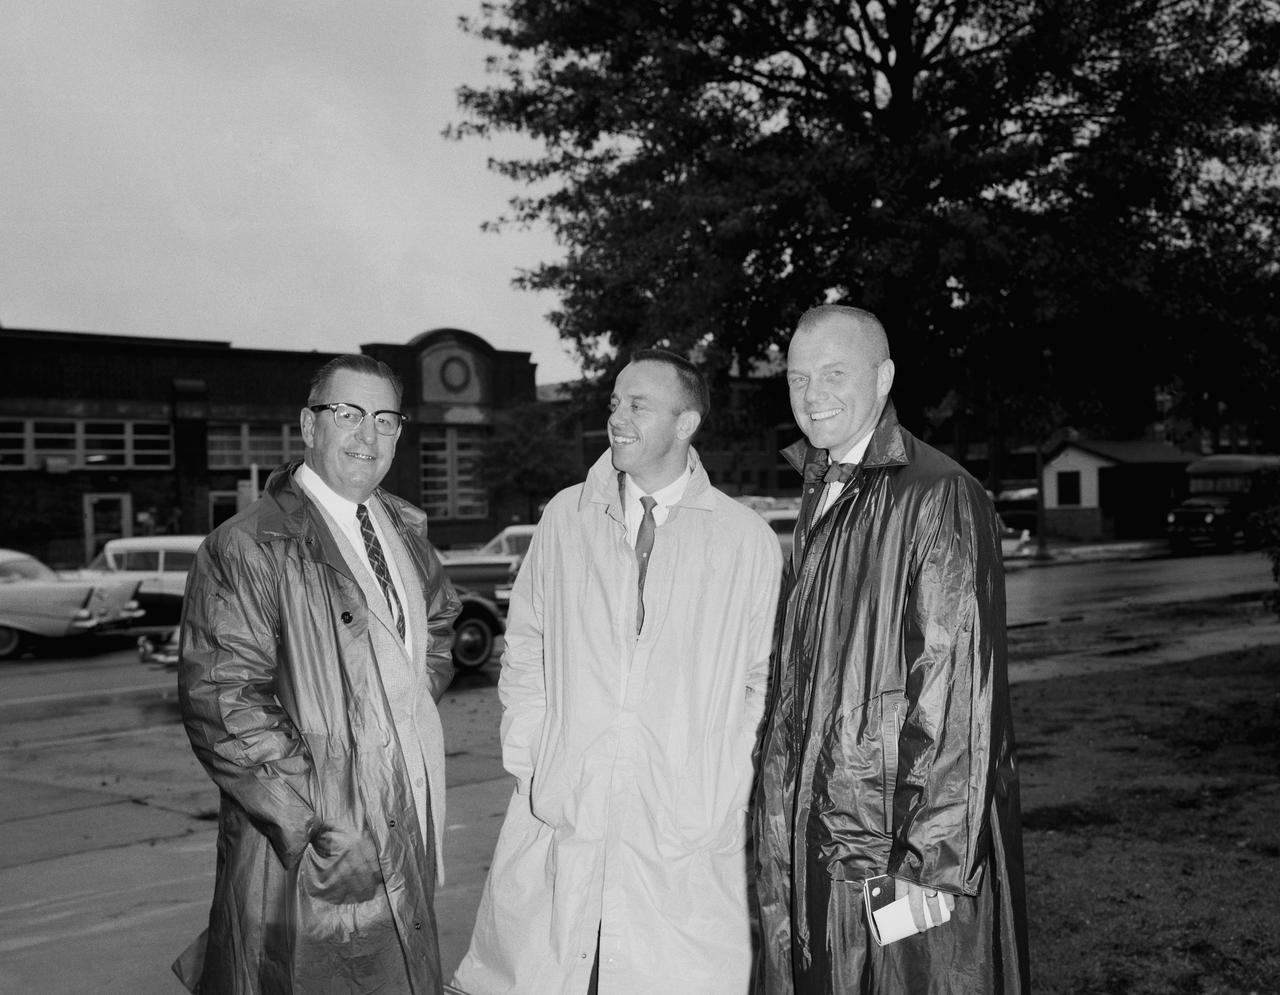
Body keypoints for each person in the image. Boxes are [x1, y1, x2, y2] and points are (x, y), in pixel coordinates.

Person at [452, 349, 782, 994]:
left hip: (683, 817)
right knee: (556, 966)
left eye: (638, 405)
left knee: (666, 973)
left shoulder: (745, 540)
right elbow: (527, 646)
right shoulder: (565, 517)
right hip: (566, 802)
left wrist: (722, 785)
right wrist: (535, 757)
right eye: (614, 403)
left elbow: (762, 680)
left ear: (686, 423)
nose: (617, 418)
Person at [752, 306, 1030, 993]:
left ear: (883, 378)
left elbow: (958, 696)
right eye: (797, 377)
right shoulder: (825, 489)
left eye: (834, 373)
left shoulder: (938, 494)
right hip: (821, 833)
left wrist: (925, 876)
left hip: (890, 854)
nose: (812, 394)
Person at [174, 354, 461, 994]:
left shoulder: (404, 529)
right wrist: (320, 818)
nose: (368, 436)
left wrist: (396, 716)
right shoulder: (249, 545)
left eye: (386, 420)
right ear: (310, 425)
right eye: (348, 414)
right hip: (309, 844)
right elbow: (224, 704)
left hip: (405, 814)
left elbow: (436, 625)